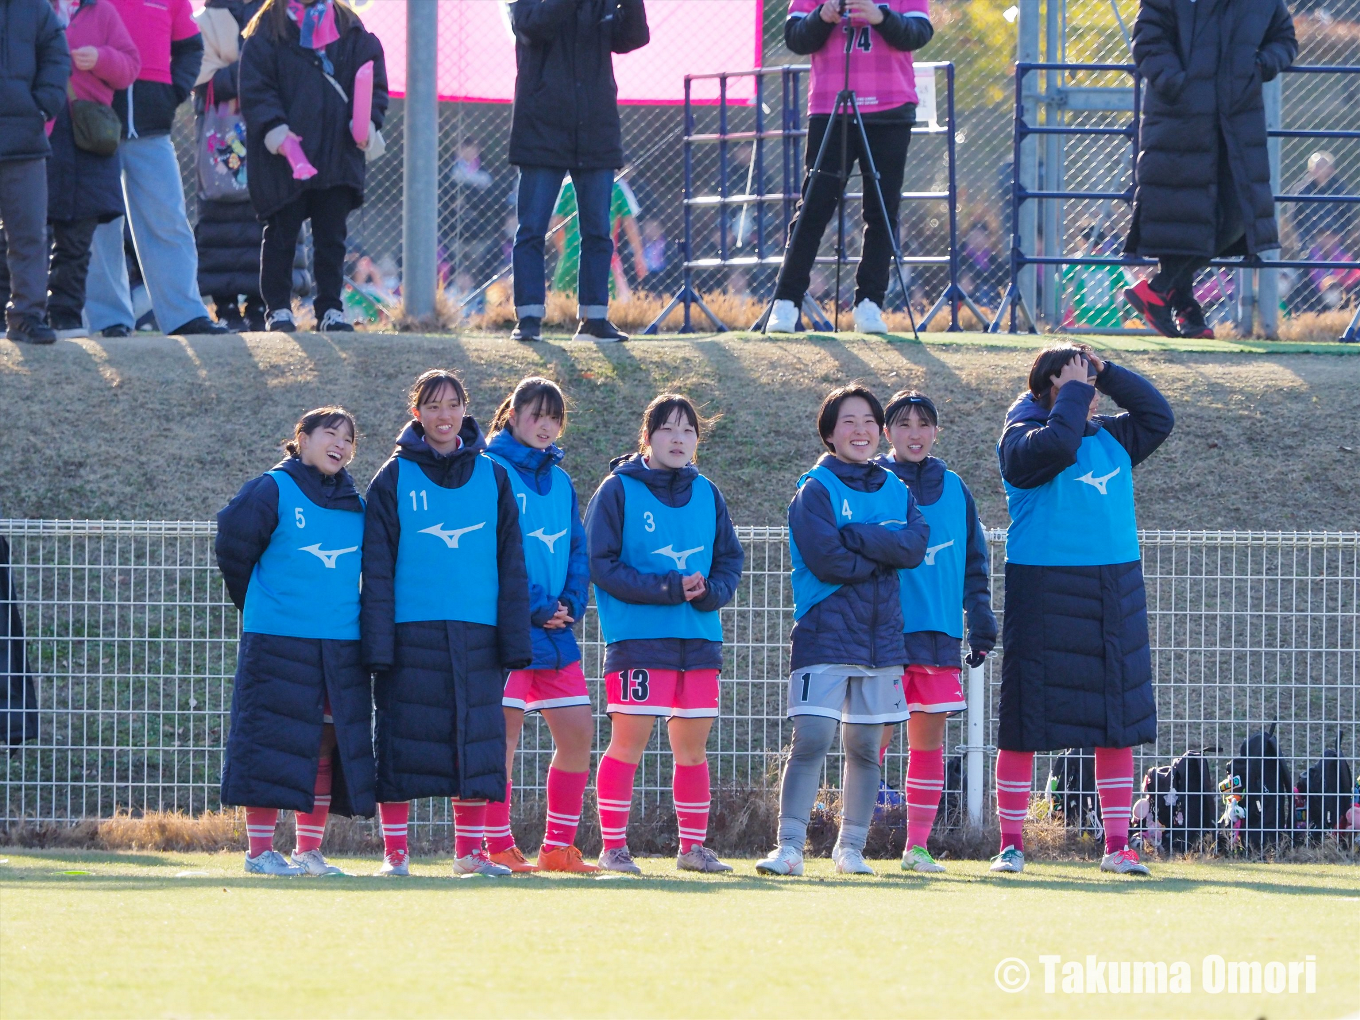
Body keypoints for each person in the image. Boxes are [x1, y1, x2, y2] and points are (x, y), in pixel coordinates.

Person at [993, 344, 1174, 877]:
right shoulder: (1021, 440)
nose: (1090, 396)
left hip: (1113, 587)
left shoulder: (1113, 438)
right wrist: (1069, 391)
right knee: (1025, 720)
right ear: (1048, 387)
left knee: (1114, 722)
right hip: (1042, 587)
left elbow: (1158, 416)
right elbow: (1058, 445)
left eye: (1091, 388)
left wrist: (1107, 371)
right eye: (1078, 386)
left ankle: (1118, 845)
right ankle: (1011, 845)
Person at [361, 370, 532, 878]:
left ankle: (471, 853)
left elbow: (511, 562)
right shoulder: (392, 478)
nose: (443, 415)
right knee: (400, 743)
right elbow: (376, 567)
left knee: (478, 743)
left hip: (478, 634)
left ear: (465, 409)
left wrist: (514, 639)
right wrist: (377, 645)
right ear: (416, 413)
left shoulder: (494, 476)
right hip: (410, 633)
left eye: (452, 404)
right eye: (432, 406)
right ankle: (395, 854)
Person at [756, 385, 928, 877]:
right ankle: (789, 847)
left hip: (882, 640)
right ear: (830, 433)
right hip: (825, 633)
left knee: (867, 750)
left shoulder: (898, 488)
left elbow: (914, 547)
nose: (861, 430)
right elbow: (827, 559)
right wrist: (882, 553)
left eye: (870, 421)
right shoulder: (816, 489)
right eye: (849, 422)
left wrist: (860, 539)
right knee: (811, 739)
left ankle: (850, 848)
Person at [585, 394, 744, 874]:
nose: (679, 439)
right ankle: (613, 848)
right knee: (627, 743)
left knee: (693, 751)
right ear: (647, 436)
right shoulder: (617, 490)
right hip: (638, 640)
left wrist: (710, 591)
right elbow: (602, 565)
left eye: (688, 431)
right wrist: (670, 587)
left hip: (698, 640)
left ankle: (692, 849)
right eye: (668, 429)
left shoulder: (708, 492)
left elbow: (729, 561)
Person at [215, 407, 376, 876]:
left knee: (327, 744)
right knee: (270, 742)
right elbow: (232, 544)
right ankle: (259, 853)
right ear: (301, 439)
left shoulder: (356, 503)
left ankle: (308, 852)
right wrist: (262, 603)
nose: (341, 445)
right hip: (278, 641)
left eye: (349, 439)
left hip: (340, 643)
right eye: (331, 434)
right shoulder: (273, 488)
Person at [1122, 0, 1296, 341]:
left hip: (1236, 121)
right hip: (1180, 121)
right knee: (1185, 217)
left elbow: (1285, 39)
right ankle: (1185, 309)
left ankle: (1160, 290)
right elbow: (1148, 39)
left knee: (1235, 217)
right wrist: (1178, 84)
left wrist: (1261, 64)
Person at [873, 391, 995, 873]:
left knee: (928, 745)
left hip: (939, 637)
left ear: (936, 432)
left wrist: (980, 620)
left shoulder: (956, 488)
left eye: (924, 424)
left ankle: (916, 848)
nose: (915, 433)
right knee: (869, 742)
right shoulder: (874, 483)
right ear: (888, 433)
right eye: (903, 424)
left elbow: (974, 562)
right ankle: (853, 840)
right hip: (881, 636)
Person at [482, 378, 597, 873]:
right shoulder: (490, 470)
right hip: (507, 629)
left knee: (578, 735)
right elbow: (490, 551)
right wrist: (532, 605)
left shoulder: (563, 480)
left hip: (556, 631)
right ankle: (496, 845)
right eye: (535, 414)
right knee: (500, 742)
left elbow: (577, 548)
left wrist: (571, 601)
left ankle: (557, 849)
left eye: (554, 417)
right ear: (512, 416)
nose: (545, 425)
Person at [765, 0, 933, 336]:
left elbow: (919, 33)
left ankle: (869, 303)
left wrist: (880, 16)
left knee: (882, 209)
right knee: (814, 205)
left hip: (890, 108)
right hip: (830, 106)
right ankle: (786, 302)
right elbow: (796, 38)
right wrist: (822, 16)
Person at [239, 0, 388, 333]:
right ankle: (278, 309)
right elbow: (255, 87)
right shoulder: (268, 29)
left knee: (331, 236)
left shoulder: (350, 30)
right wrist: (275, 129)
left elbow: (373, 82)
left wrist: (368, 123)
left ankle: (331, 309)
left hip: (336, 151)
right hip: (283, 157)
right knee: (281, 234)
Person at [506, 0, 650, 344]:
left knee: (599, 230)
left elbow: (633, 37)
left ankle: (595, 319)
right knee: (532, 228)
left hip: (595, 128)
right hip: (543, 127)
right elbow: (530, 27)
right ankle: (528, 318)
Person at [81, 0, 225, 338]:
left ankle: (184, 315)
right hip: (92, 124)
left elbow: (191, 49)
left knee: (167, 220)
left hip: (153, 127)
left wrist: (172, 92)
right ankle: (107, 321)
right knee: (101, 225)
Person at [193, 0, 266, 332]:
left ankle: (259, 303)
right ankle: (225, 306)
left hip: (266, 129)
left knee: (265, 217)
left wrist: (233, 70)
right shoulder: (206, 18)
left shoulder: (273, 11)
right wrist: (250, 72)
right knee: (217, 218)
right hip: (218, 138)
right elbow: (200, 75)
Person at [0, 0, 69, 346]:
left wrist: (43, 105)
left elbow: (57, 54)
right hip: (26, 135)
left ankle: (26, 317)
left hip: (24, 139)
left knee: (29, 234)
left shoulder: (34, 7)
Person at [550, 177, 648, 305]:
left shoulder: (569, 185)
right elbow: (629, 223)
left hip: (570, 259)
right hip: (603, 257)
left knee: (560, 305)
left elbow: (556, 227)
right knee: (609, 304)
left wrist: (565, 252)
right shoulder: (616, 185)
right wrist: (638, 254)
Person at [1292, 152, 1352, 255]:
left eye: (1323, 166)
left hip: (1336, 239)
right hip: (1310, 239)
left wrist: (1337, 237)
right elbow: (1295, 218)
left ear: (1331, 169)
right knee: (1306, 256)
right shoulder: (1302, 190)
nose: (1319, 169)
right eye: (1316, 166)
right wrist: (1312, 237)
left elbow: (1348, 216)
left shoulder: (1340, 190)